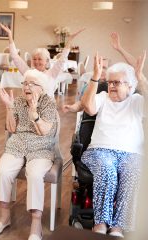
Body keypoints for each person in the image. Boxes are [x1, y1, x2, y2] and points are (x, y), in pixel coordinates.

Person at [80, 52, 147, 237]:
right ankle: (100, 224)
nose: (111, 86)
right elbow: (88, 107)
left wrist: (140, 77)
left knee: (133, 171)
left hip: (132, 154)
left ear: (130, 86)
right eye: (110, 82)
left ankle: (118, 226)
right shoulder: (103, 97)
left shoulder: (137, 101)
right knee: (107, 169)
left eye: (116, 83)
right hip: (100, 151)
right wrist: (95, 77)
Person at [0, 69, 59, 240]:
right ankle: (4, 216)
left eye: (31, 84)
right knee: (3, 171)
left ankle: (36, 224)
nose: (26, 86)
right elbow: (11, 128)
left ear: (41, 88)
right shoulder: (19, 101)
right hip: (18, 144)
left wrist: (34, 113)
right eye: (25, 83)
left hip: (41, 147)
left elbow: (44, 131)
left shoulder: (48, 103)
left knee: (35, 174)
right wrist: (9, 106)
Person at [0, 23, 84, 97]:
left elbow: (62, 59)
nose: (36, 61)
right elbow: (14, 56)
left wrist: (69, 40)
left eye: (40, 59)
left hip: (47, 109)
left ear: (47, 61)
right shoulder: (28, 72)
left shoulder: (52, 73)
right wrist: (9, 34)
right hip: (30, 107)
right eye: (34, 59)